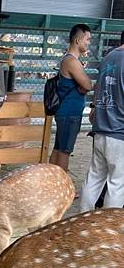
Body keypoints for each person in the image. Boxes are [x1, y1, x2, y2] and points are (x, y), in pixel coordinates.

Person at [80, 30, 124, 210]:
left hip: (101, 128)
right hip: (120, 133)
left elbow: (98, 87)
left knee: (94, 178)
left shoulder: (109, 57)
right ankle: (106, 228)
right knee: (117, 184)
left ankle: (82, 220)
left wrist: (95, 109)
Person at [49, 24, 92, 171]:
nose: (89, 42)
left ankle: (52, 184)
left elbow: (85, 85)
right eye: (87, 39)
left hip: (66, 112)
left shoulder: (70, 60)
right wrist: (85, 85)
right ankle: (62, 186)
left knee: (59, 148)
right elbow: (88, 84)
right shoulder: (72, 61)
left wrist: (84, 85)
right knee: (64, 151)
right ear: (77, 40)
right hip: (70, 113)